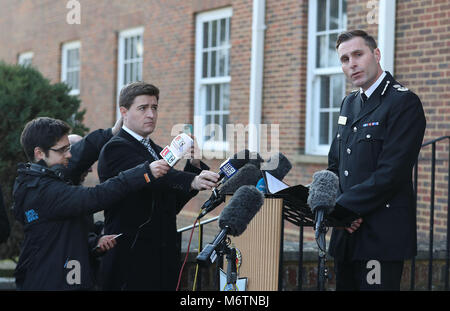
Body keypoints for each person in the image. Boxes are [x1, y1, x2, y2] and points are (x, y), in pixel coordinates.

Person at [13, 117, 170, 290]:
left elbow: (60, 235)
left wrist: (93, 243)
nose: (69, 155)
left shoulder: (38, 182)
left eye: (69, 148)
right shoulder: (44, 191)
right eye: (62, 150)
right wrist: (144, 173)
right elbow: (96, 196)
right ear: (39, 153)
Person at [326, 30, 426, 290]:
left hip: (380, 236)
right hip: (345, 235)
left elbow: (391, 172)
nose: (352, 64)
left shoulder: (403, 102)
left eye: (358, 54)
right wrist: (337, 211)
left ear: (376, 54)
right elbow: (336, 164)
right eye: (345, 59)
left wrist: (344, 208)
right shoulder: (348, 104)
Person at [97, 81, 220, 290]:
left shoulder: (156, 149)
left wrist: (194, 165)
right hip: (131, 262)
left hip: (163, 261)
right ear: (124, 112)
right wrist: (191, 180)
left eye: (154, 108)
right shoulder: (116, 148)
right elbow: (155, 181)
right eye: (142, 108)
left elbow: (169, 201)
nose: (151, 115)